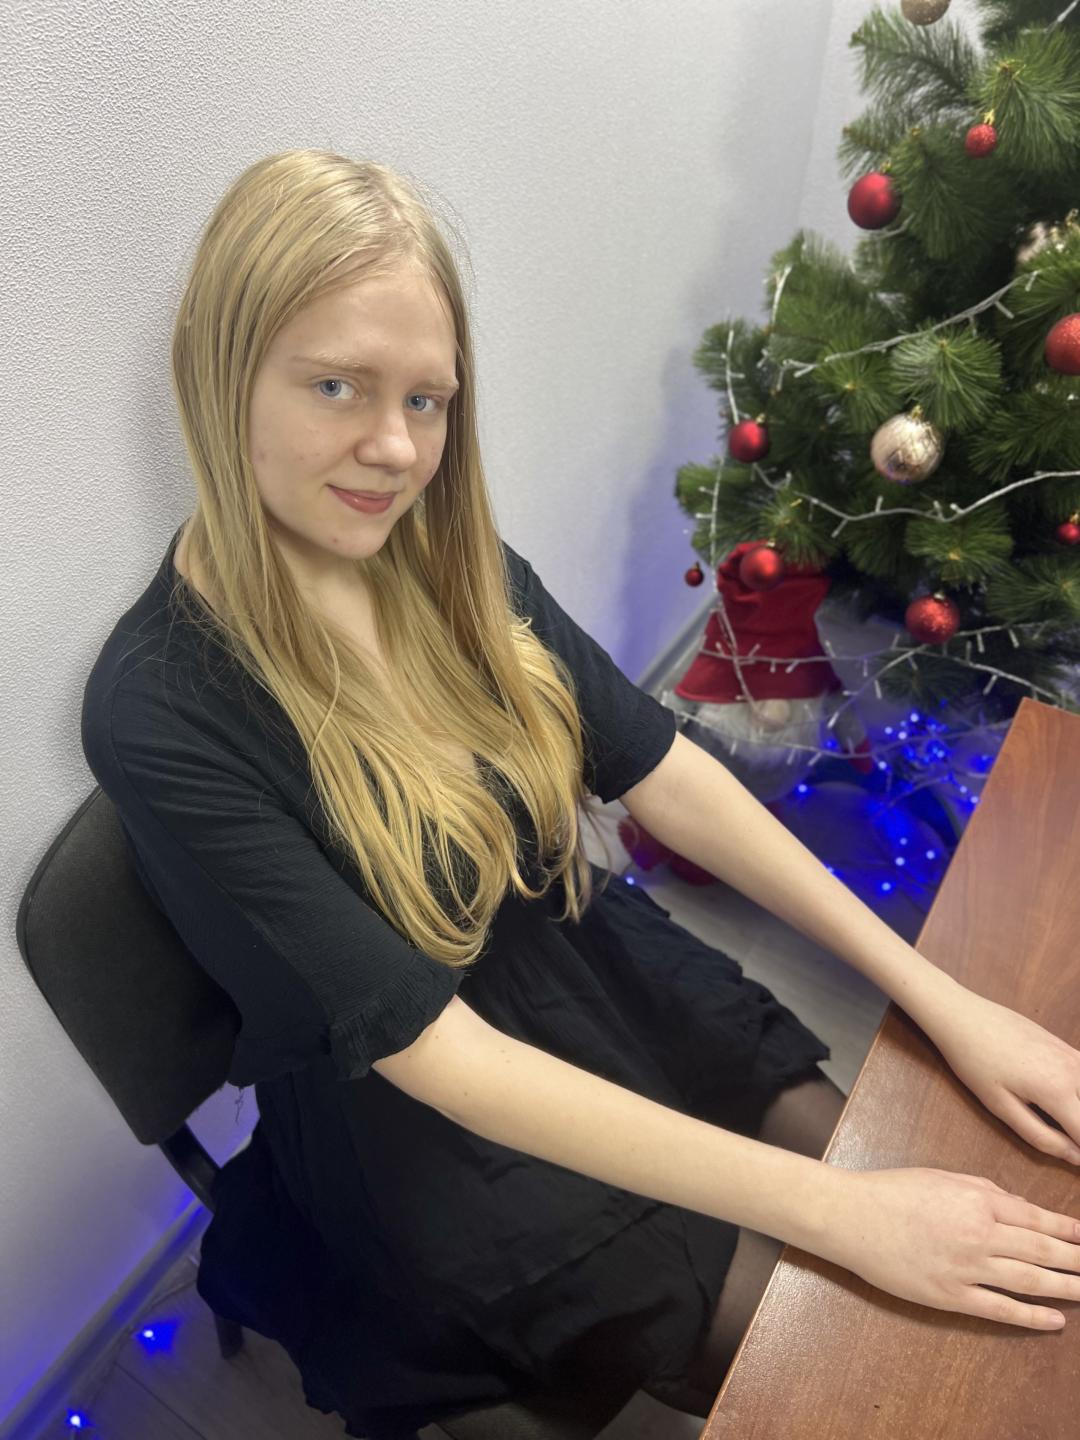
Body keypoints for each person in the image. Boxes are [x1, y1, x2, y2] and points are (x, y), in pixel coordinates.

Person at [81, 150, 1080, 1439]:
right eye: (337, 386)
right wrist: (845, 1217)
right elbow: (440, 1059)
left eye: (427, 401)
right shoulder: (158, 707)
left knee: (912, 1186)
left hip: (569, 950)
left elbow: (664, 771)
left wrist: (943, 1000)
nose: (396, 449)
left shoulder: (437, 554)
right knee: (853, 1351)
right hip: (419, 1112)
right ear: (220, 372)